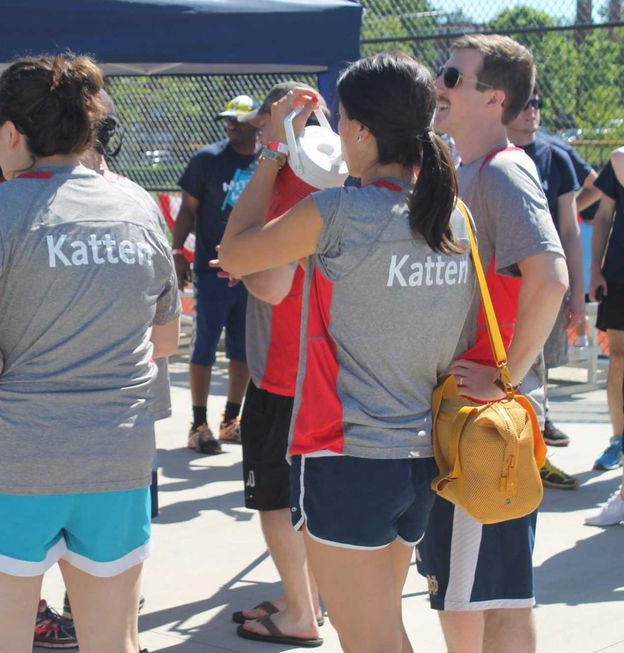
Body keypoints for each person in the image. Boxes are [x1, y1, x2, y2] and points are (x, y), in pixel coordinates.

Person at [0, 54, 179, 653]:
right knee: (112, 642)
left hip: (8, 460)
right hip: (116, 458)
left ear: (13, 132)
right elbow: (164, 339)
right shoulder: (137, 205)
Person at [219, 52, 476, 653]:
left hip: (349, 458)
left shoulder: (339, 214)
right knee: (383, 632)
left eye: (339, 122)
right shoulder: (451, 215)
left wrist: (276, 149)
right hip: (424, 459)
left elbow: (234, 253)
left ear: (359, 131)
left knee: (371, 641)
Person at [418, 35, 568, 653]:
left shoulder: (504, 171)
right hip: (463, 418)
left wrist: (509, 377)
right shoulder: (463, 169)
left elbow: (551, 276)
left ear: (494, 97)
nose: (439, 85)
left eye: (453, 76)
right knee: (472, 593)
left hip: (483, 424)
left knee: (490, 598)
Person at [213, 82, 324, 646]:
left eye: (265, 127)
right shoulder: (341, 173)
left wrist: (242, 264)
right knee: (307, 500)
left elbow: (275, 285)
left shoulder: (289, 181)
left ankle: (302, 613)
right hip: (325, 372)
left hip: (286, 375)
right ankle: (301, 597)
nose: (259, 136)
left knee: (276, 502)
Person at [506, 86, 585, 488]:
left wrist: (578, 290)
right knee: (511, 372)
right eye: (524, 103)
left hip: (538, 284)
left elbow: (570, 229)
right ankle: (512, 455)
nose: (532, 110)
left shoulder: (554, 157)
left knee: (537, 366)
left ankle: (535, 456)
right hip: (499, 289)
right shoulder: (492, 159)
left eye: (537, 103)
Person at [172, 94, 259, 454]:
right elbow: (187, 212)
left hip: (252, 271)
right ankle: (198, 423)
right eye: (227, 119)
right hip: (211, 271)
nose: (231, 124)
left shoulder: (267, 163)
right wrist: (177, 253)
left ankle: (230, 420)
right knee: (204, 345)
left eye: (238, 119)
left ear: (257, 122)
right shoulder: (207, 159)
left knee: (244, 350)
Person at [587, 141, 624, 525]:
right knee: (621, 360)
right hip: (622, 277)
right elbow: (603, 215)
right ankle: (620, 440)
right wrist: (595, 270)